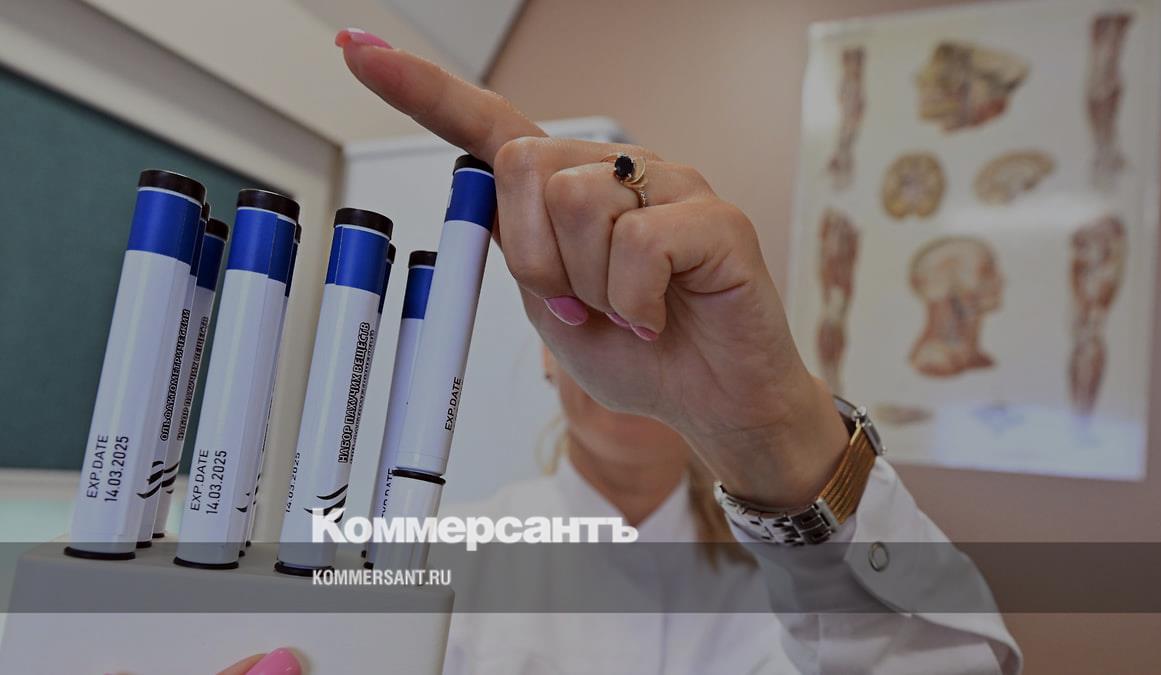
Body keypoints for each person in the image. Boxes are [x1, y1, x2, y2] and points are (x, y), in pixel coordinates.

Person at [223, 27, 1021, 674]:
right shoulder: (441, 552)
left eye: (666, 300)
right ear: (547, 356)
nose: (645, 322)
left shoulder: (787, 580)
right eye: (598, 305)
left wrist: (779, 436)